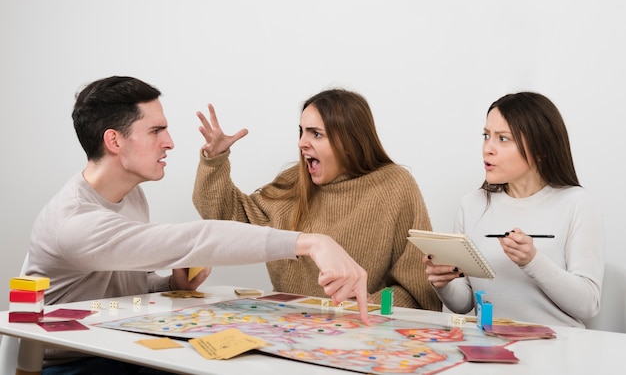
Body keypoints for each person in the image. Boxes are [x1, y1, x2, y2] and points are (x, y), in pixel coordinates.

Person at [26, 76, 370, 375]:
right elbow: (196, 238)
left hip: (120, 348)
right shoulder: (74, 223)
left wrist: (171, 283)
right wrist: (311, 243)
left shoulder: (130, 196)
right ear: (114, 141)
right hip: (75, 363)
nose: (170, 142)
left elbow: (126, 287)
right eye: (156, 130)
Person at [192, 89, 441, 311]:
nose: (302, 143)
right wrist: (215, 158)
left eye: (316, 134)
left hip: (362, 336)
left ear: (348, 141)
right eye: (301, 132)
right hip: (290, 332)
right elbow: (228, 219)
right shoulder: (292, 183)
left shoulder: (395, 186)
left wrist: (371, 304)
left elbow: (417, 291)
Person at [423, 91, 604, 328]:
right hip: (487, 348)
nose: (488, 148)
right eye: (486, 135)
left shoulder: (577, 203)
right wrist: (443, 284)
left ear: (540, 150)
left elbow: (588, 304)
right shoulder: (472, 205)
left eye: (503, 138)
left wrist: (532, 261)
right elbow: (465, 303)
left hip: (558, 350)